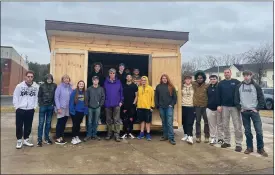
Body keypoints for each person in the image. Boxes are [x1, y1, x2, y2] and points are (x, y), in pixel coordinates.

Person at [235, 70, 268, 157]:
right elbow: (236, 99)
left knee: (259, 131)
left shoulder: (256, 86)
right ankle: (249, 147)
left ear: (251, 75)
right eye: (244, 75)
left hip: (254, 112)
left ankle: (260, 148)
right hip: (244, 112)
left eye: (248, 75)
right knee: (247, 131)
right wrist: (240, 108)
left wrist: (257, 108)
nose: (246, 77)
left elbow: (261, 98)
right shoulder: (239, 86)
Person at [217, 69, 243, 152]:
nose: (226, 74)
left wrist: (240, 104)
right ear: (223, 74)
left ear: (231, 73)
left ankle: (238, 144)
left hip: (234, 107)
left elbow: (241, 92)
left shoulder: (236, 82)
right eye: (225, 73)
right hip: (224, 107)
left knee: (237, 125)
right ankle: (227, 141)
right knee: (225, 125)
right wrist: (219, 105)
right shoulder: (221, 83)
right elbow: (218, 95)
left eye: (228, 72)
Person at [13, 70, 39, 149]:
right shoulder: (19, 86)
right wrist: (17, 107)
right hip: (20, 109)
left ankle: (26, 139)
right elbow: (15, 97)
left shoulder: (36, 87)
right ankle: (19, 140)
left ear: (33, 77)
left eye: (31, 77)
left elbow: (36, 98)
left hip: (30, 109)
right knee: (19, 125)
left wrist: (34, 107)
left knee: (28, 125)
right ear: (25, 77)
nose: (30, 78)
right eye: (28, 76)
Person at [155, 74, 177, 145]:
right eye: (163, 78)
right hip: (161, 107)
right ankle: (165, 136)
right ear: (161, 79)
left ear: (167, 79)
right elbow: (156, 97)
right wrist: (157, 105)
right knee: (164, 122)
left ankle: (171, 138)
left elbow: (175, 98)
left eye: (165, 78)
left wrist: (172, 105)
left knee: (169, 123)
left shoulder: (171, 87)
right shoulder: (158, 87)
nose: (164, 79)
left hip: (169, 108)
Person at [37, 74, 57, 147]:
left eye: (50, 78)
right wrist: (41, 104)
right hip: (43, 106)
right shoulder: (42, 86)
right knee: (41, 123)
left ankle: (46, 138)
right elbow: (39, 96)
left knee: (48, 123)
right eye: (48, 78)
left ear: (52, 79)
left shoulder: (54, 85)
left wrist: (53, 104)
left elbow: (56, 96)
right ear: (45, 79)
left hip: (50, 106)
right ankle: (39, 140)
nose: (49, 79)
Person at [104, 68, 124, 142]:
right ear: (109, 74)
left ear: (115, 74)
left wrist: (121, 101)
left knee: (116, 120)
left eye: (113, 73)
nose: (112, 74)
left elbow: (121, 92)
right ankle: (109, 134)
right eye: (111, 73)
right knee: (108, 120)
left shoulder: (118, 82)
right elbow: (104, 93)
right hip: (108, 104)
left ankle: (117, 135)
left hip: (117, 104)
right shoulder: (106, 82)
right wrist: (105, 102)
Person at [84, 76, 105, 141]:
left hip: (97, 107)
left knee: (96, 121)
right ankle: (89, 135)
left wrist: (100, 104)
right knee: (89, 121)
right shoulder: (89, 89)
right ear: (92, 81)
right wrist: (87, 105)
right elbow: (86, 98)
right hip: (90, 107)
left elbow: (103, 97)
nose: (95, 81)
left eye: (96, 80)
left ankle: (94, 135)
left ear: (98, 81)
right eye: (94, 80)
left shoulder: (101, 89)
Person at [54, 74, 73, 145]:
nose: (66, 80)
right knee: (60, 123)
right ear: (62, 80)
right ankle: (58, 137)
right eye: (65, 78)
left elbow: (72, 93)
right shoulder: (59, 87)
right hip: (61, 108)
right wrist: (58, 108)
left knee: (64, 123)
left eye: (68, 78)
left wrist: (71, 85)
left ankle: (61, 136)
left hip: (67, 108)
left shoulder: (69, 87)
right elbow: (56, 98)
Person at [206, 75, 224, 145]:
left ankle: (220, 138)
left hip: (218, 108)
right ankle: (213, 138)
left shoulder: (220, 87)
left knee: (220, 124)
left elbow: (222, 97)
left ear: (217, 79)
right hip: (210, 108)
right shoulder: (208, 87)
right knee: (212, 125)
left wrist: (220, 105)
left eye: (214, 79)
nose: (213, 80)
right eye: (211, 79)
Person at [69, 80, 88, 145]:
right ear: (78, 85)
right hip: (75, 112)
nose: (81, 85)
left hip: (81, 112)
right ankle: (73, 138)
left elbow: (86, 103)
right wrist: (72, 111)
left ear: (83, 85)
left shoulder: (85, 93)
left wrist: (85, 111)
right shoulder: (74, 92)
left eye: (82, 84)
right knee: (75, 125)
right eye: (80, 84)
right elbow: (71, 102)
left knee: (78, 125)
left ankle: (77, 136)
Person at [193, 71, 210, 143]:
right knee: (197, 122)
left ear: (204, 78)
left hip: (205, 107)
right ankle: (198, 137)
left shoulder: (207, 85)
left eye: (201, 78)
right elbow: (184, 82)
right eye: (198, 78)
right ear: (196, 78)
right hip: (197, 107)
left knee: (206, 122)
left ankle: (206, 136)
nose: (199, 79)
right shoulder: (193, 84)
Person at [136, 76, 155, 141]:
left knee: (148, 121)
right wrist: (136, 105)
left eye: (145, 80)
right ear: (141, 81)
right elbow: (137, 97)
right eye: (142, 80)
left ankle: (148, 134)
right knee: (142, 121)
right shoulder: (139, 88)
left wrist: (152, 107)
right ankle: (141, 133)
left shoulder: (150, 88)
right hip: (140, 107)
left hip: (148, 108)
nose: (143, 81)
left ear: (147, 81)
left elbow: (153, 98)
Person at [121, 74, 138, 139]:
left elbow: (136, 95)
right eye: (127, 76)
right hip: (124, 105)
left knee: (131, 119)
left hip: (132, 105)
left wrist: (134, 103)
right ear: (126, 78)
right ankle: (125, 133)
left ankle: (130, 133)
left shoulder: (134, 86)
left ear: (131, 78)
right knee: (125, 119)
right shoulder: (123, 85)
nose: (128, 77)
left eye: (130, 77)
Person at [181, 73, 195, 144]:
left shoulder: (194, 87)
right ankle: (186, 134)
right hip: (183, 106)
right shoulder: (182, 87)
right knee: (184, 122)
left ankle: (190, 136)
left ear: (191, 80)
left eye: (189, 79)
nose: (188, 80)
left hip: (191, 106)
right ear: (184, 80)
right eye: (186, 79)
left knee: (190, 122)